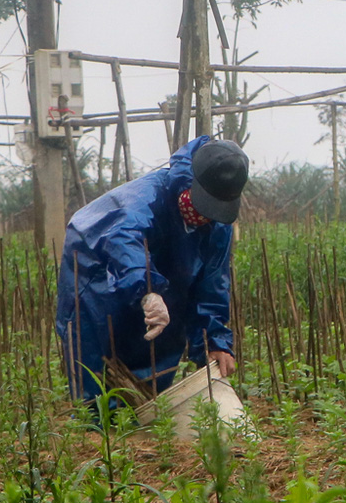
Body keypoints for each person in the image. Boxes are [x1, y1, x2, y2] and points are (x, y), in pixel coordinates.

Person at [56, 136, 249, 406]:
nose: (206, 216)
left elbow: (212, 283)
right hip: (99, 268)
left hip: (158, 272)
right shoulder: (146, 197)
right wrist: (147, 289)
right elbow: (123, 240)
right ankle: (98, 422)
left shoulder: (217, 226)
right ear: (191, 182)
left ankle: (147, 411)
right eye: (204, 205)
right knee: (101, 356)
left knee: (162, 336)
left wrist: (214, 340)